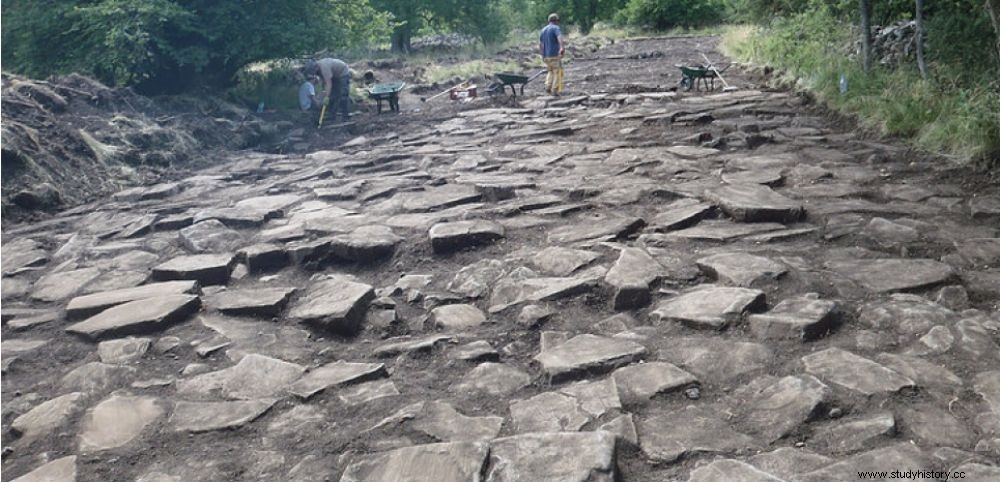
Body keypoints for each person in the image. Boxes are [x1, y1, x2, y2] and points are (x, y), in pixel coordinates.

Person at [304, 58, 352, 122]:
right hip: (334, 75)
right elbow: (323, 83)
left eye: (314, 71)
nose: (314, 73)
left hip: (343, 72)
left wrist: (326, 97)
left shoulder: (324, 67)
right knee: (333, 95)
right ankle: (332, 115)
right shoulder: (318, 70)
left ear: (316, 67)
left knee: (343, 94)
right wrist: (324, 92)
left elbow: (328, 83)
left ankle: (345, 116)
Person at [539, 13, 565, 96]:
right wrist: (561, 47)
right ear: (556, 21)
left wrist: (542, 55)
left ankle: (548, 86)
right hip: (554, 54)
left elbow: (541, 44)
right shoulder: (556, 28)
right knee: (557, 72)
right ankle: (554, 90)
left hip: (546, 55)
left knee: (550, 71)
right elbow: (559, 37)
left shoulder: (543, 30)